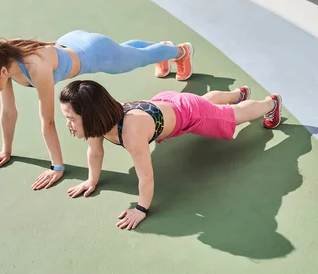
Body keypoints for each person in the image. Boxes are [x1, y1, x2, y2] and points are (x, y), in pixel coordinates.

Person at [0, 30, 194, 190]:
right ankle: (161, 50)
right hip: (71, 41)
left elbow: (48, 122)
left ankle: (180, 52)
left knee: (135, 58)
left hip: (94, 53)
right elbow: (8, 112)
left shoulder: (35, 68)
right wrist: (5, 151)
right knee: (128, 55)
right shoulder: (4, 61)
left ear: (1, 72)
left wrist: (57, 167)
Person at [59, 80, 282, 230]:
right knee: (206, 103)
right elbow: (95, 152)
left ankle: (270, 103)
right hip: (167, 103)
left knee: (235, 116)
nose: (68, 124)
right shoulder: (99, 123)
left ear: (90, 116)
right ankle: (238, 93)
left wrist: (141, 209)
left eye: (70, 118)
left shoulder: (131, 134)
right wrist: (91, 180)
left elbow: (146, 177)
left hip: (188, 114)